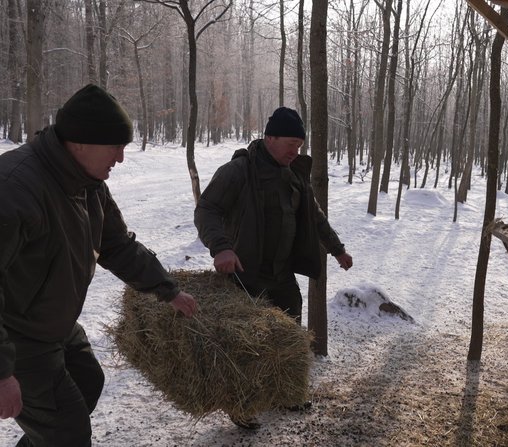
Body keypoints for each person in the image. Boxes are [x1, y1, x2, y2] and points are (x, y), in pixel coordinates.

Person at [0, 84, 198, 446]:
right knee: (69, 433)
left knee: (87, 383)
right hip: (17, 338)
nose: (121, 158)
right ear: (80, 142)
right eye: (116, 147)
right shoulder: (15, 189)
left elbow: (118, 246)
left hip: (53, 325)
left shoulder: (87, 184)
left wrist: (167, 290)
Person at [194, 107, 353, 429]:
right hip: (244, 276)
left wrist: (337, 249)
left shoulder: (294, 173)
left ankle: (285, 392)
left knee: (289, 338)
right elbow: (207, 209)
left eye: (300, 144)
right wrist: (221, 247)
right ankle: (242, 405)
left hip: (281, 275)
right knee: (246, 345)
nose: (296, 151)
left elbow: (315, 216)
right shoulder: (239, 170)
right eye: (291, 143)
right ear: (270, 138)